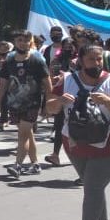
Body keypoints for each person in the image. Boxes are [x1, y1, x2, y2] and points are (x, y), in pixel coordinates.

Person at [45, 44, 110, 220]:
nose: (97, 63)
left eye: (99, 59)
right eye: (92, 59)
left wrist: (109, 101)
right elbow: (49, 107)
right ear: (81, 60)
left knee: (92, 186)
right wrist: (59, 101)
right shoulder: (67, 81)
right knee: (95, 186)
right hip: (75, 144)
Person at [0, 30, 49, 179]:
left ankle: (17, 165)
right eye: (19, 40)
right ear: (15, 41)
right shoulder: (9, 60)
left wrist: (47, 104)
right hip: (14, 103)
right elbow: (3, 82)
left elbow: (47, 83)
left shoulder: (37, 59)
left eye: (26, 40)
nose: (22, 43)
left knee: (23, 135)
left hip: (32, 103)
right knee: (28, 134)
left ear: (30, 42)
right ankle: (35, 164)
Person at [44, 38, 77, 166]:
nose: (69, 47)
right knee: (59, 126)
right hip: (61, 93)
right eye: (66, 45)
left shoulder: (79, 58)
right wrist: (56, 78)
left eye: (71, 45)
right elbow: (51, 72)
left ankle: (79, 157)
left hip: (75, 97)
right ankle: (55, 154)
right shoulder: (57, 59)